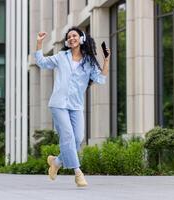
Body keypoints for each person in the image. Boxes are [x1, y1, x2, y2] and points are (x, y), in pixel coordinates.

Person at [34, 26, 110, 187]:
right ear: (68, 42)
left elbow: (101, 79)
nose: (71, 38)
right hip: (58, 104)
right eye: (69, 37)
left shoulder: (88, 62)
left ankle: (57, 162)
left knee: (77, 138)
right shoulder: (61, 57)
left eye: (74, 35)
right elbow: (41, 62)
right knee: (68, 136)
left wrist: (107, 60)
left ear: (81, 38)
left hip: (76, 105)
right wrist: (39, 43)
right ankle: (78, 173)